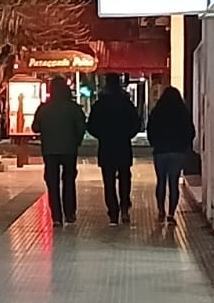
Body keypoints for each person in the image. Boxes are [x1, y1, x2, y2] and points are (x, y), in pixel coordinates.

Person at [86, 73, 142, 225]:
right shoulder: (126, 103)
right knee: (125, 177)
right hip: (123, 145)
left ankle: (113, 213)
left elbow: (91, 126)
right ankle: (124, 207)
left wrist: (102, 135)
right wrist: (127, 135)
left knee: (109, 181)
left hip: (106, 146)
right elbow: (137, 123)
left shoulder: (100, 104)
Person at [34, 77, 87, 226]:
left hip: (49, 150)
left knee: (52, 183)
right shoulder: (73, 108)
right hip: (69, 150)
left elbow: (35, 127)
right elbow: (81, 127)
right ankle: (70, 213)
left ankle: (56, 216)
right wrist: (76, 141)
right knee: (69, 181)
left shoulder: (44, 108)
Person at [146, 86, 197, 224]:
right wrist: (184, 146)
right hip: (177, 152)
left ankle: (161, 210)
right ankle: (171, 214)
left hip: (160, 152)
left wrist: (155, 144)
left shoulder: (157, 112)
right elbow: (191, 132)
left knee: (161, 181)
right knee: (173, 183)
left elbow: (150, 129)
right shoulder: (182, 112)